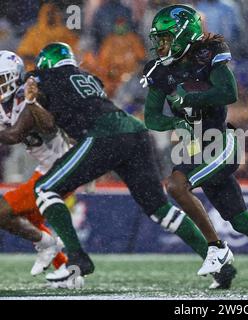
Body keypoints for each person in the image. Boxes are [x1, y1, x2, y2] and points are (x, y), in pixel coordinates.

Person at [19, 42, 234, 287]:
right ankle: (219, 266)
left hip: (104, 134)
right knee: (159, 209)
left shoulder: (42, 76)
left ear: (45, 64)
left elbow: (45, 117)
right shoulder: (88, 78)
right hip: (134, 131)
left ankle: (77, 260)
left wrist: (30, 98)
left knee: (45, 189)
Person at [141, 4, 248, 299]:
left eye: (167, 38)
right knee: (241, 222)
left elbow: (228, 92)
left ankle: (217, 249)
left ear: (184, 35)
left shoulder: (209, 53)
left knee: (176, 186)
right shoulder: (160, 71)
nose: (162, 45)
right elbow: (152, 117)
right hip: (193, 148)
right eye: (160, 39)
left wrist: (192, 98)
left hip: (221, 142)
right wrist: (177, 119)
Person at [0, 50, 68, 283]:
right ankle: (69, 271)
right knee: (30, 219)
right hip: (46, 168)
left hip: (64, 167)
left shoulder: (29, 95)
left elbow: (13, 135)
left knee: (2, 212)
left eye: (1, 79)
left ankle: (46, 244)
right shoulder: (4, 105)